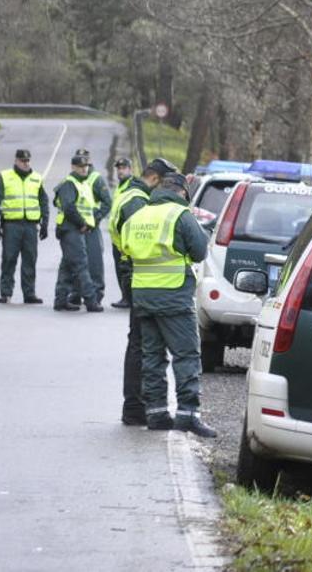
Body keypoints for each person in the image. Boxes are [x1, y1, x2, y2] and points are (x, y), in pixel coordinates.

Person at [121, 171, 216, 437]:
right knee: (186, 354)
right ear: (183, 192)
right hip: (173, 294)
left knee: (152, 356)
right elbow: (199, 251)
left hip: (143, 295)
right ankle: (188, 415)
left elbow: (126, 252)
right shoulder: (180, 215)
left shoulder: (137, 216)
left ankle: (156, 414)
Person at [111, 157, 173, 426]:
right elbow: (143, 241)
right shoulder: (137, 200)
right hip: (138, 276)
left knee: (140, 343)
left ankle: (138, 406)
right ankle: (135, 407)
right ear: (156, 179)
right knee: (140, 345)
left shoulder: (132, 193)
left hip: (134, 273)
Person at [0, 148, 49, 304]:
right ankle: (6, 293)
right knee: (9, 259)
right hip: (11, 226)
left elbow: (44, 202)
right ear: (16, 161)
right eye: (23, 161)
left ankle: (29, 293)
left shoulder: (37, 178)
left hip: (30, 226)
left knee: (30, 260)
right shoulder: (5, 177)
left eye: (28, 160)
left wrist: (45, 224)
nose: (26, 163)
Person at [52, 155, 101, 312]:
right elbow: (69, 207)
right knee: (81, 265)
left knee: (67, 266)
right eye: (80, 166)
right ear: (73, 167)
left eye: (86, 166)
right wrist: (82, 224)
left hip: (75, 230)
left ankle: (60, 300)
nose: (84, 169)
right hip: (71, 229)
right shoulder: (69, 184)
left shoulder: (83, 184)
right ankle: (91, 301)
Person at [68, 148, 112, 305]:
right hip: (76, 227)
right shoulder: (72, 179)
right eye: (79, 160)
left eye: (85, 159)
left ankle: (97, 293)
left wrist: (96, 218)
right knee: (76, 261)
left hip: (91, 228)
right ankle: (75, 292)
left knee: (94, 261)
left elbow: (108, 201)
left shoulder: (95, 179)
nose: (83, 163)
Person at [109, 157, 137, 309]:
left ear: (130, 169)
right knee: (121, 268)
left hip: (125, 238)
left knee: (127, 268)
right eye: (118, 168)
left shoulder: (131, 186)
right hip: (117, 239)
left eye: (123, 168)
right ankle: (124, 297)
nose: (120, 171)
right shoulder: (120, 186)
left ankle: (128, 298)